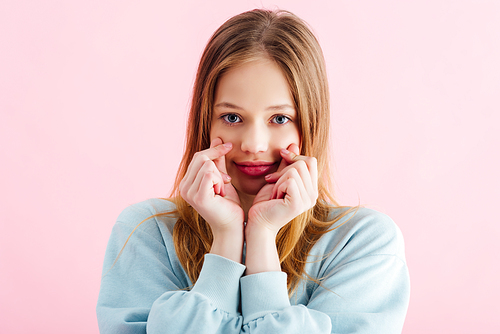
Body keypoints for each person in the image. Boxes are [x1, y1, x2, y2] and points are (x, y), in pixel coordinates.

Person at [96, 8, 410, 334]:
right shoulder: (147, 235)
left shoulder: (363, 245)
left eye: (279, 119)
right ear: (205, 122)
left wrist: (261, 237)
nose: (253, 144)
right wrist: (226, 240)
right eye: (232, 117)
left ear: (310, 126)